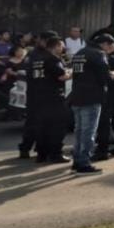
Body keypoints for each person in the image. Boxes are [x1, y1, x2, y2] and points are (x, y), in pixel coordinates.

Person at [68, 34, 114, 174]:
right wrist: (111, 76)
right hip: (92, 97)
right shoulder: (98, 54)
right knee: (89, 132)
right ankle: (84, 163)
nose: (110, 49)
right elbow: (104, 77)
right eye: (110, 46)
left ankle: (77, 161)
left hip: (77, 95)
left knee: (79, 131)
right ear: (105, 44)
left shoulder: (79, 53)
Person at [33, 36, 72, 164]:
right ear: (55, 47)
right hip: (54, 97)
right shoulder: (52, 59)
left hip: (39, 97)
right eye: (61, 45)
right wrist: (72, 73)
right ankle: (56, 154)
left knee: (43, 126)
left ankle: (42, 154)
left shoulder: (37, 58)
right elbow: (62, 77)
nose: (63, 48)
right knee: (58, 127)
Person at [19, 31, 57, 159]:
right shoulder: (41, 55)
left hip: (38, 91)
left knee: (38, 122)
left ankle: (36, 148)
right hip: (39, 92)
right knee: (36, 122)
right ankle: (28, 148)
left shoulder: (34, 54)